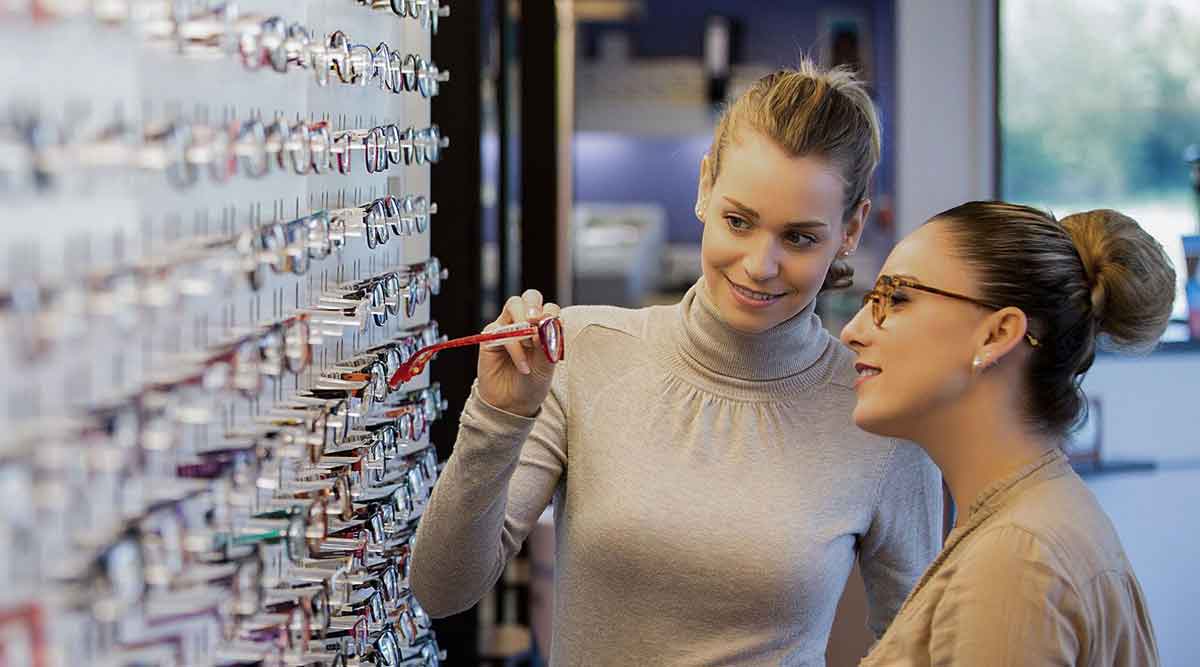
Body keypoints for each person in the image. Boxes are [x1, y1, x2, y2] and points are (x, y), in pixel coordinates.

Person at [411, 61, 943, 666]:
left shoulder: (884, 416)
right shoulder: (584, 352)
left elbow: (918, 645)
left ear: (850, 229)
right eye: (738, 221)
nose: (759, 265)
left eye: (798, 238)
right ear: (704, 189)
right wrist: (498, 417)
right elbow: (441, 589)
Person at [840, 202, 1167, 666]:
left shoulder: (1016, 561)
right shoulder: (1036, 523)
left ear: (997, 334)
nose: (852, 331)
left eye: (896, 298)